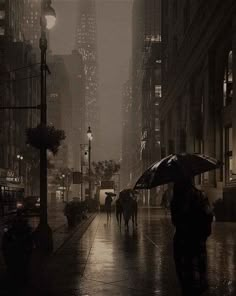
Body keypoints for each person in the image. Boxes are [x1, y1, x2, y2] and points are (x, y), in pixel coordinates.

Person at [170, 177, 213, 296]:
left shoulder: (176, 199)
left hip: (182, 240)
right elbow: (209, 216)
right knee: (198, 268)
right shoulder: (201, 196)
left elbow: (174, 220)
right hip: (197, 240)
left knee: (184, 273)